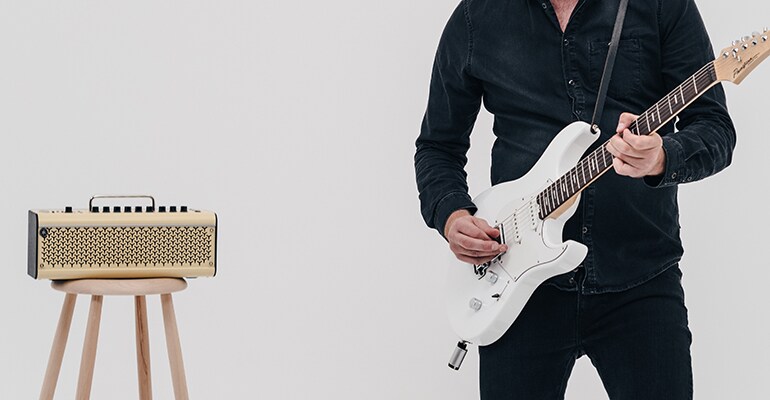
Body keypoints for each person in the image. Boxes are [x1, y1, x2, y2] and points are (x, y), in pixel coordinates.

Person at [414, 0, 736, 398]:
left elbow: (716, 130)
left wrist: (661, 156)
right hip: (516, 287)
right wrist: (451, 215)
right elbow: (437, 146)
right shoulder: (478, 15)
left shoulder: (661, 6)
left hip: (640, 278)